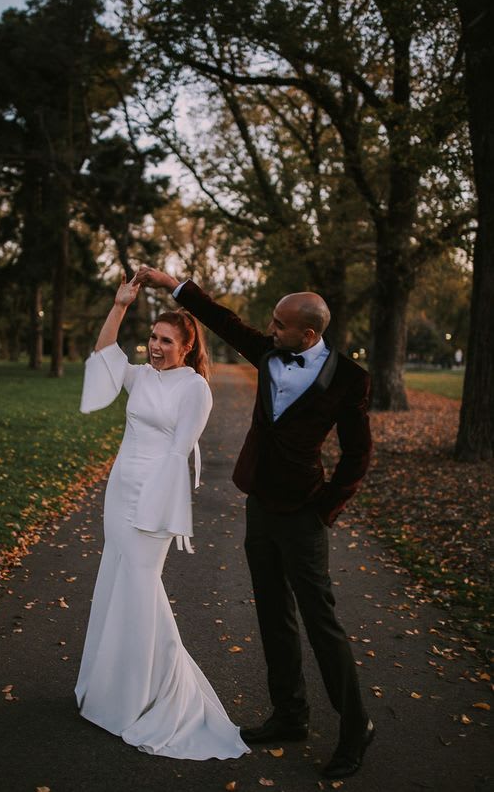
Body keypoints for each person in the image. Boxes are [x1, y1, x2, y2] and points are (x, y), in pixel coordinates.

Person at [134, 266, 374, 780]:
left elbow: (358, 455)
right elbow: (222, 319)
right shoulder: (266, 352)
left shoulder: (349, 379)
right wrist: (168, 282)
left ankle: (356, 728)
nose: (270, 329)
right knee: (272, 611)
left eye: (280, 324)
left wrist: (325, 507)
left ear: (308, 335)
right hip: (259, 505)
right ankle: (290, 715)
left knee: (320, 621)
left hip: (304, 513)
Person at [75, 272, 249, 761]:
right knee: (116, 576)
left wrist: (160, 512)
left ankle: (144, 695)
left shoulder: (195, 390)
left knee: (141, 582)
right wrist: (119, 306)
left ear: (187, 346)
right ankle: (106, 689)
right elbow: (105, 358)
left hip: (154, 496)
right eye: (152, 338)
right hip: (121, 485)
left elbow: (179, 455)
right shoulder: (141, 375)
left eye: (166, 341)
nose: (154, 347)